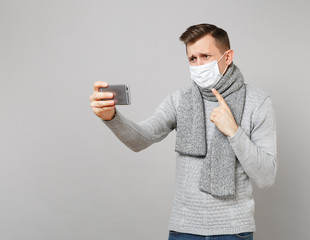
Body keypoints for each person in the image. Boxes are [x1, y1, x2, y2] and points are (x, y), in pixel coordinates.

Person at [90, 23, 277, 240]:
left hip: (233, 232)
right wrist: (111, 117)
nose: (198, 65)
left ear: (228, 57)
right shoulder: (181, 101)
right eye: (192, 59)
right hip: (184, 230)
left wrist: (233, 131)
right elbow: (141, 139)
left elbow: (266, 176)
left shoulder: (258, 102)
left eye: (205, 56)